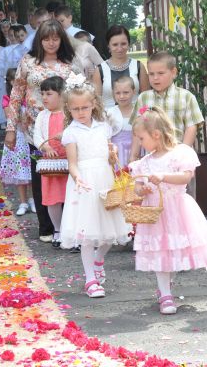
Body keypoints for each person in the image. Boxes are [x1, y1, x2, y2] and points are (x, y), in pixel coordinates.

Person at [129, 106, 207, 314]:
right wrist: (141, 190)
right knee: (161, 252)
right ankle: (166, 295)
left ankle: (167, 284)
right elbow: (137, 187)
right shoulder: (144, 163)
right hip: (156, 213)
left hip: (177, 210)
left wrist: (163, 176)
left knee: (175, 252)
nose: (141, 144)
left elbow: (186, 177)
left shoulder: (180, 153)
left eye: (142, 139)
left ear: (156, 135)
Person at [5, 20, 80, 243]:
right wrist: (11, 129)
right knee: (41, 177)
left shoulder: (69, 64)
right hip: (34, 130)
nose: (51, 43)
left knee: (68, 175)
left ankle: (69, 225)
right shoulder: (28, 62)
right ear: (39, 40)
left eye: (55, 38)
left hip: (65, 130)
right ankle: (46, 226)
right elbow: (16, 95)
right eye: (46, 38)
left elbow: (79, 94)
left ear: (62, 39)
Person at [60, 74, 131, 298]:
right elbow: (72, 163)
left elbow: (109, 157)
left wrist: (113, 154)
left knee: (111, 232)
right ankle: (90, 279)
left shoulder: (103, 127)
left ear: (93, 105)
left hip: (105, 180)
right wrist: (78, 178)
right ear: (69, 109)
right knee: (88, 234)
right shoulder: (71, 132)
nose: (81, 112)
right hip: (85, 184)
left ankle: (99, 260)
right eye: (76, 109)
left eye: (85, 107)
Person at [129, 51, 204, 162]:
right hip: (152, 159)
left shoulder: (186, 97)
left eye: (160, 73)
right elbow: (137, 129)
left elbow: (191, 128)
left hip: (178, 157)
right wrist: (134, 156)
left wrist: (183, 155)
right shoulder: (143, 98)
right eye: (151, 74)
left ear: (173, 72)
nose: (155, 78)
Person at [33, 76, 67, 248]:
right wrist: (46, 148)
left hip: (69, 161)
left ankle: (71, 231)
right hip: (50, 164)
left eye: (49, 94)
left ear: (61, 95)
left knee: (69, 198)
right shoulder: (42, 115)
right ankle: (58, 229)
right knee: (53, 199)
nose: (44, 98)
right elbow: (37, 135)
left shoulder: (69, 113)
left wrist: (66, 140)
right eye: (42, 94)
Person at [0, 68, 34, 216]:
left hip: (31, 137)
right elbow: (11, 116)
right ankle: (23, 201)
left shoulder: (31, 97)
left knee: (32, 170)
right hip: (18, 137)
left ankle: (33, 199)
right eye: (15, 81)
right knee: (20, 171)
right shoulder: (7, 98)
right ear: (11, 82)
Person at [93, 25, 150, 109]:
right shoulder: (100, 70)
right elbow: (96, 102)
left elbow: (146, 97)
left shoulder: (138, 66)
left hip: (135, 117)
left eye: (123, 44)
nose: (119, 48)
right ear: (108, 46)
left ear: (128, 44)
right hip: (108, 118)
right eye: (115, 44)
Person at [107, 76, 136, 166]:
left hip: (134, 151)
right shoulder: (110, 113)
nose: (122, 96)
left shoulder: (138, 111)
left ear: (133, 92)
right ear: (113, 94)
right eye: (118, 93)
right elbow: (106, 134)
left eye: (126, 92)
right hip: (117, 153)